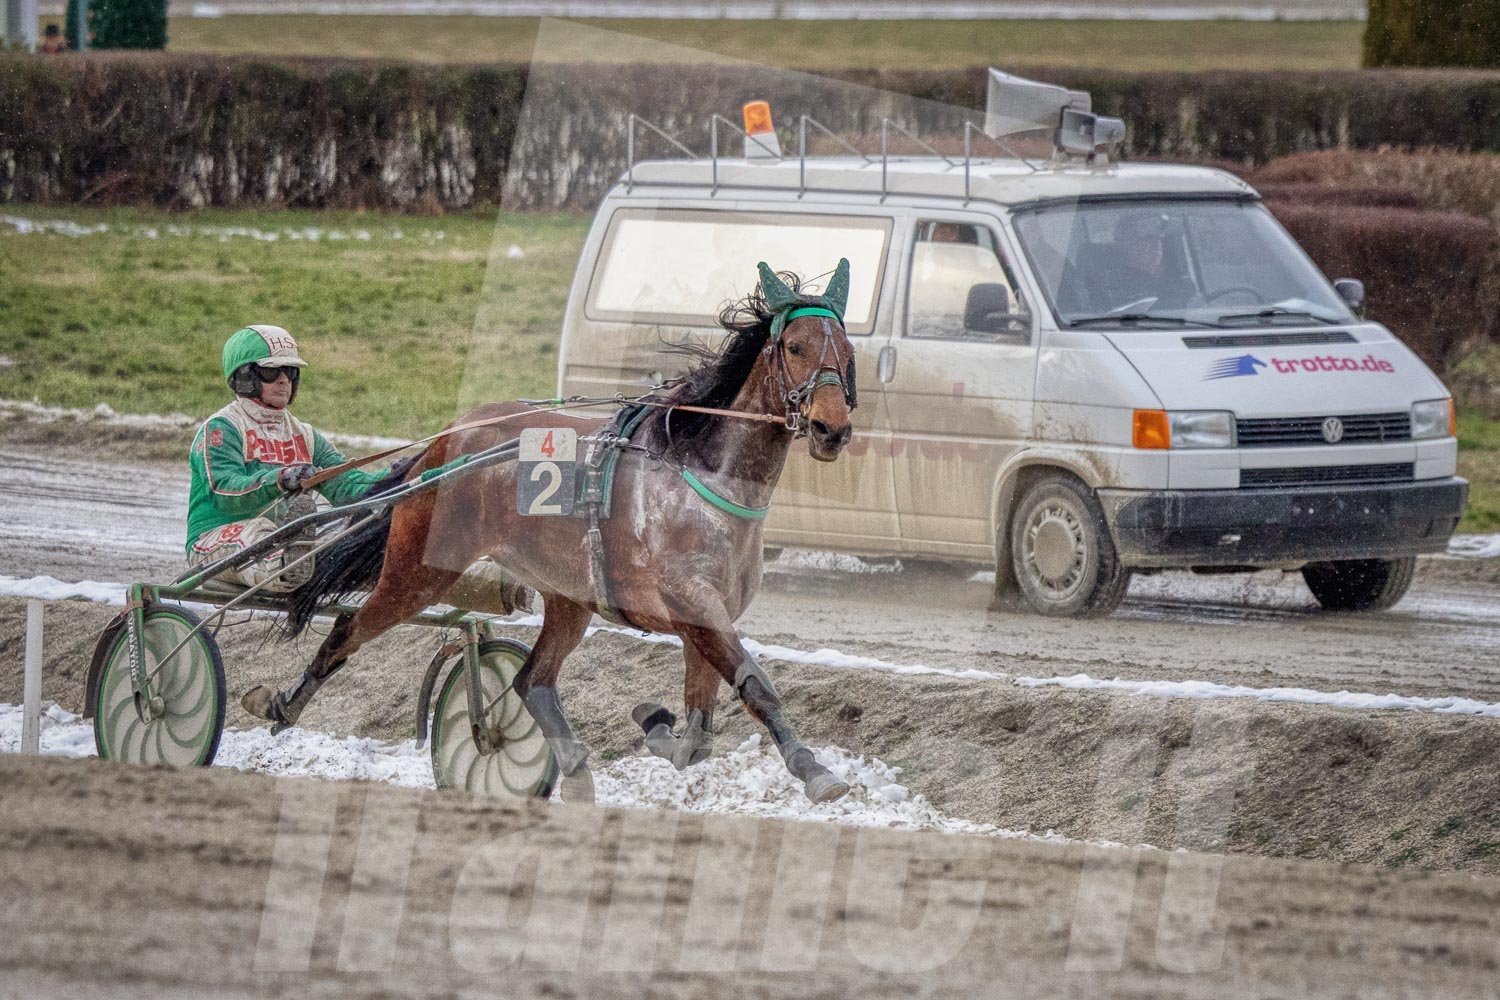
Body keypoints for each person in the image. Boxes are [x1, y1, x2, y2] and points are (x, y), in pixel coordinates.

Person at [186, 325, 381, 591]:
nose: (283, 380)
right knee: (257, 533)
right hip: (213, 543)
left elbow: (348, 485)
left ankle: (311, 563)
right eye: (271, 371)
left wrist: (407, 474)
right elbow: (224, 491)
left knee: (347, 537)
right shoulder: (221, 428)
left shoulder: (305, 434)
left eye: (290, 372)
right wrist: (279, 479)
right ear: (245, 376)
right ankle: (288, 565)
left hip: (282, 541)